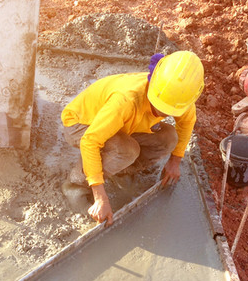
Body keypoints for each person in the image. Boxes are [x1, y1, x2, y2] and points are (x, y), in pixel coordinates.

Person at [60, 50, 205, 225]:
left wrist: (175, 161)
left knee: (168, 138)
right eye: (159, 106)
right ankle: (75, 187)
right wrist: (100, 196)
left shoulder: (180, 96)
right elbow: (90, 141)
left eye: (169, 109)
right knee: (127, 150)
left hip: (121, 124)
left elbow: (186, 123)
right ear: (154, 84)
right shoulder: (126, 100)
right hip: (81, 124)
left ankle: (121, 170)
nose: (163, 112)